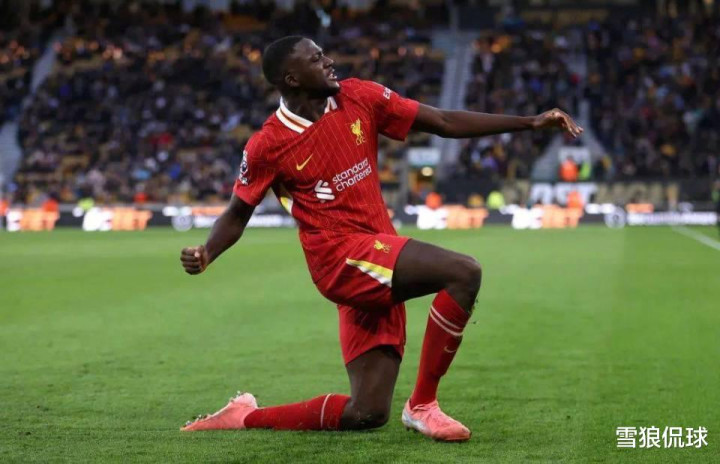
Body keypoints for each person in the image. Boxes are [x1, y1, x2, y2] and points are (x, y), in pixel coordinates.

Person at [179, 36, 582, 441]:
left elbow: (443, 121)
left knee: (367, 412)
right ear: (292, 78)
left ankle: (244, 416)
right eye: (317, 59)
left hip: (376, 254)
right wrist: (207, 252)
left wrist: (529, 122)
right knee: (463, 272)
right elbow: (237, 213)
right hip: (340, 260)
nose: (329, 61)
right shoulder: (268, 144)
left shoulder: (359, 96)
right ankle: (422, 405)